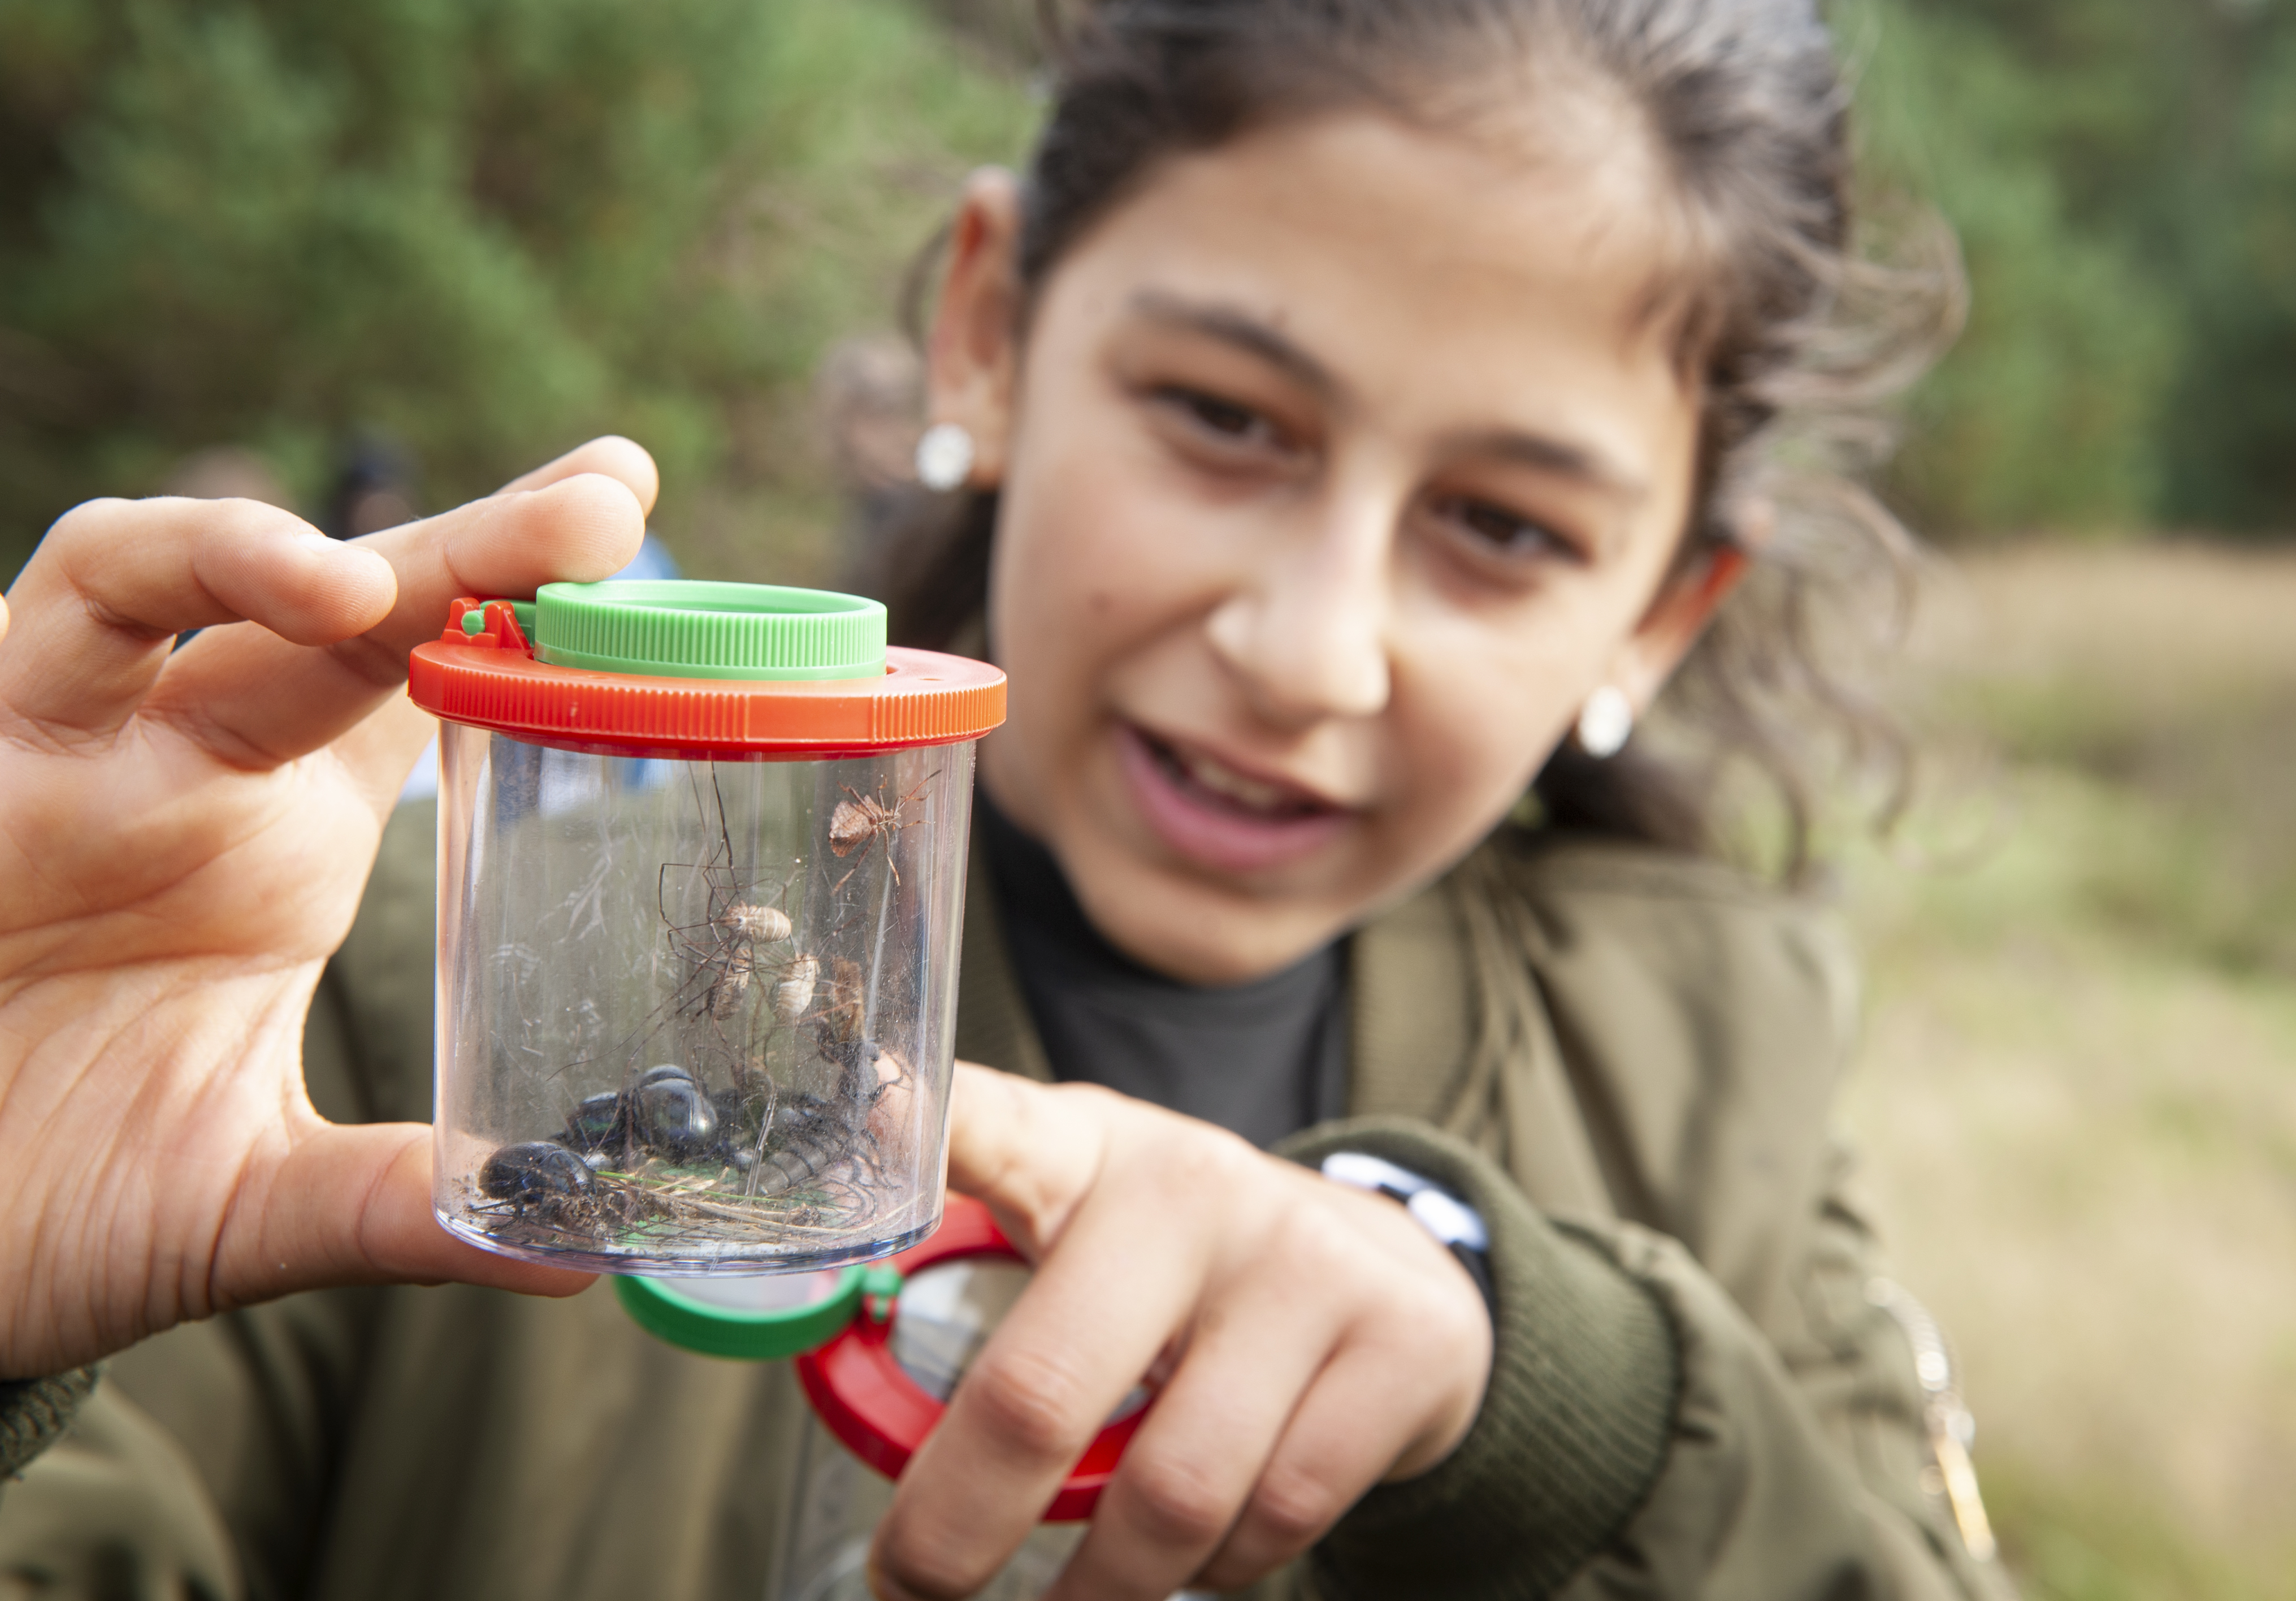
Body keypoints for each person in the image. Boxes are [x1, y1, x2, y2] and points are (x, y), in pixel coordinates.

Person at [0, 2, 2007, 1598]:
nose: (1310, 650)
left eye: (1502, 525)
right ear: (991, 324)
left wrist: (1540, 1415)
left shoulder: (1717, 1072)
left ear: (1660, 611)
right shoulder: (392, 1011)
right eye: (1225, 419)